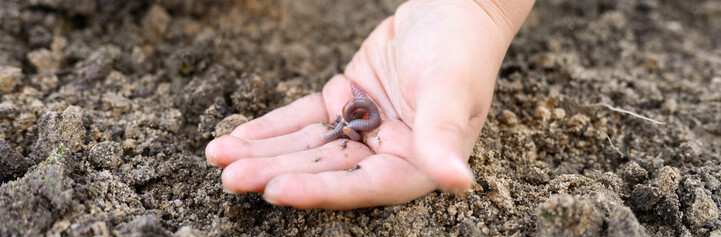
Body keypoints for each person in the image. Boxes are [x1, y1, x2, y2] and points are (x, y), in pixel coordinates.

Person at [205, 0, 535, 209]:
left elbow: (363, 117)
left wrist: (476, 8)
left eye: (351, 119)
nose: (350, 121)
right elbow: (359, 116)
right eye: (350, 120)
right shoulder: (357, 113)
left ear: (358, 116)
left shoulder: (362, 117)